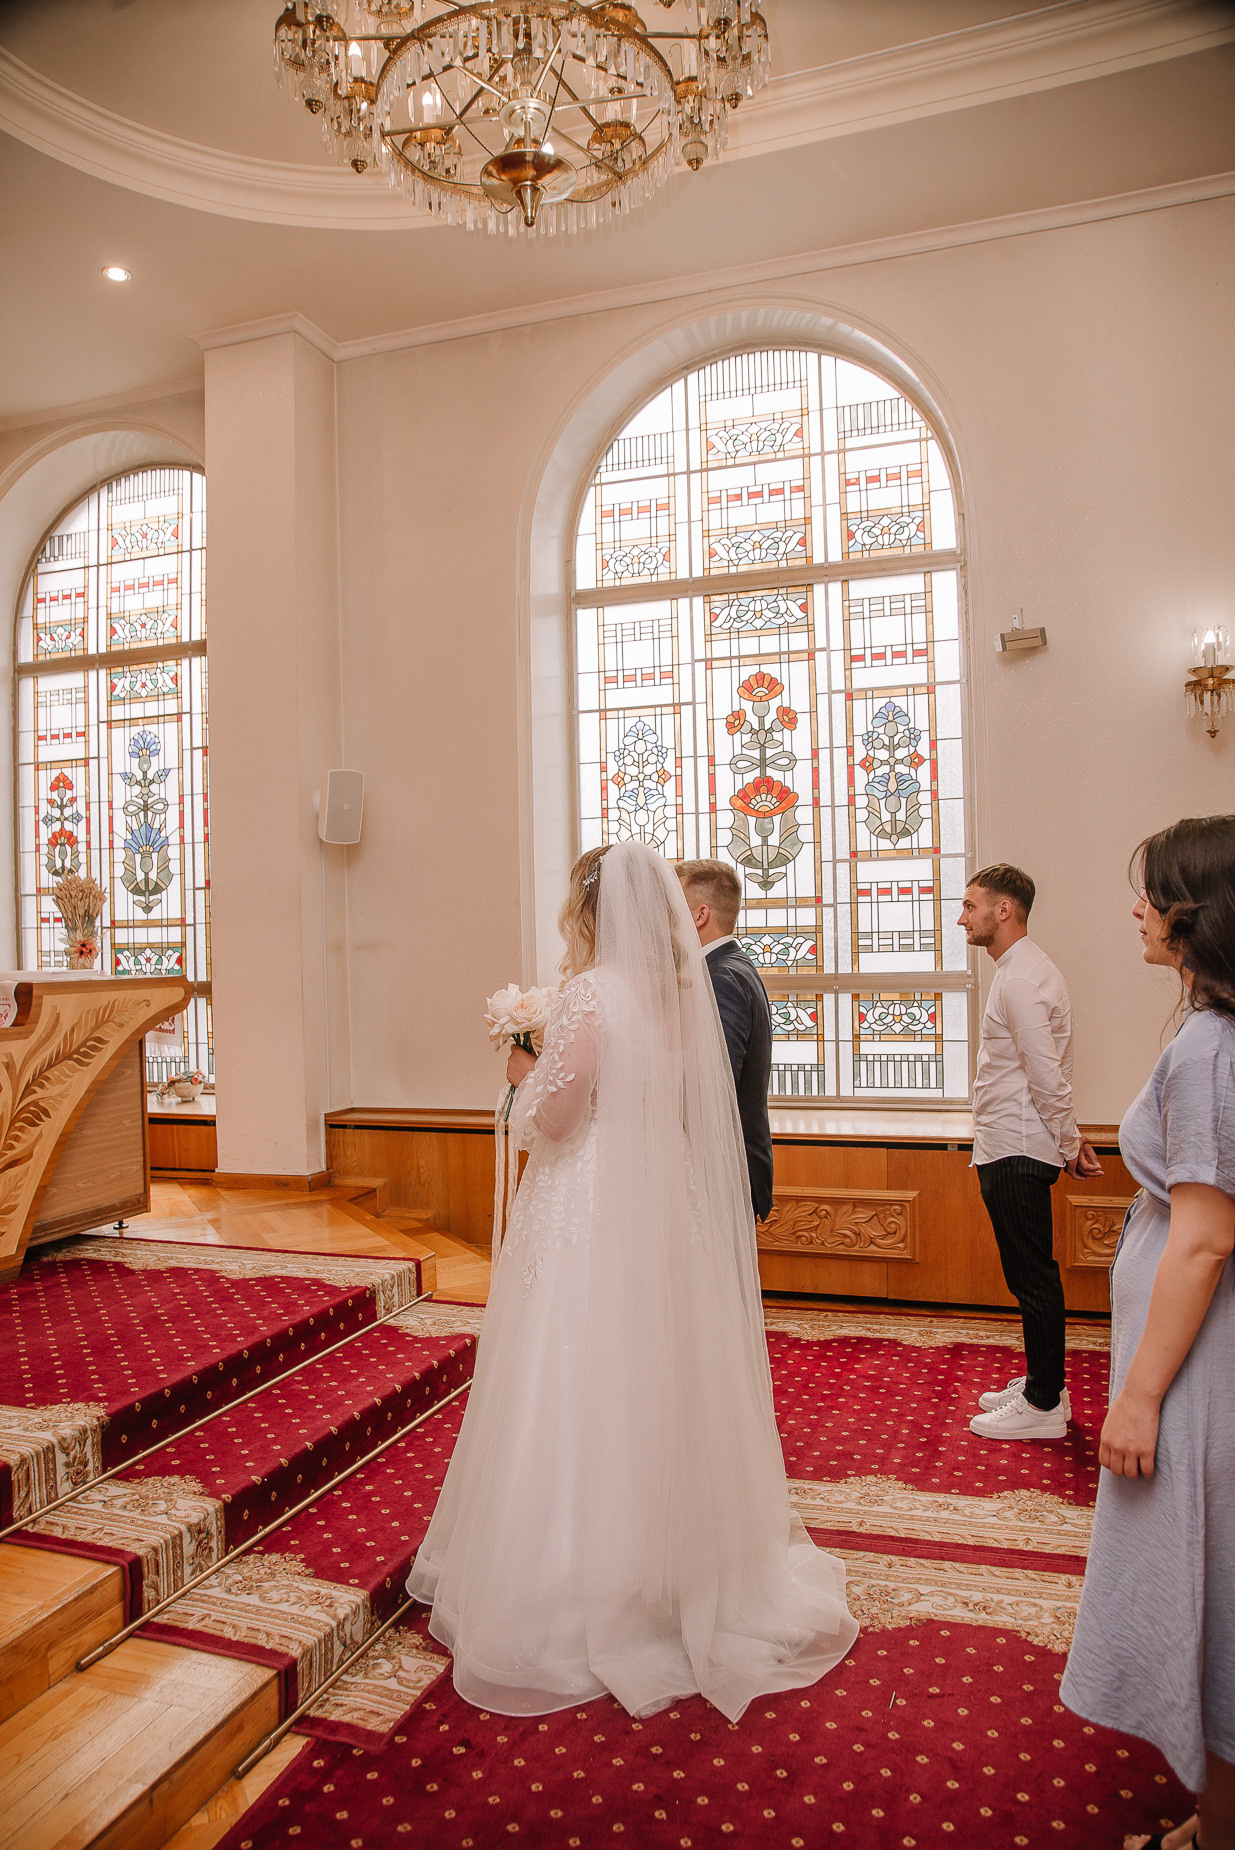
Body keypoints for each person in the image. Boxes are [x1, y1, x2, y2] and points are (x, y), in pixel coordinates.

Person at [408, 840, 858, 1720]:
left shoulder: (592, 991)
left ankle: (579, 1585)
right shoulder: (672, 995)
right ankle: (679, 1566)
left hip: (588, 1205)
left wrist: (519, 1071)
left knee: (575, 1373)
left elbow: (564, 1111)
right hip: (658, 1197)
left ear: (588, 910)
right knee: (658, 1371)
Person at [1061, 816, 1235, 1850]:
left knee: (1204, 1581)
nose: (1135, 907)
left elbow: (1205, 1237)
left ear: (1191, 915)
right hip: (1196, 1349)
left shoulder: (1211, 1046)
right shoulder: (1208, 1026)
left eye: (1149, 892)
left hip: (1199, 1366)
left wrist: (1137, 1394)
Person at [960, 864, 1104, 1441]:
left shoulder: (1020, 978)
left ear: (1004, 910)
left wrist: (1069, 1143)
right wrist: (1067, 1138)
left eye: (971, 906)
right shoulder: (1022, 969)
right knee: (1030, 1276)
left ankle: (1044, 1405)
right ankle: (1044, 1381)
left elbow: (1046, 1074)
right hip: (1013, 1142)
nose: (962, 917)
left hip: (1017, 1147)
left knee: (1033, 1279)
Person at [676, 858, 774, 1222]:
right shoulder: (733, 965)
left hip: (720, 1173)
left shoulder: (720, 979)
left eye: (673, 907)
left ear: (700, 915)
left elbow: (713, 1085)